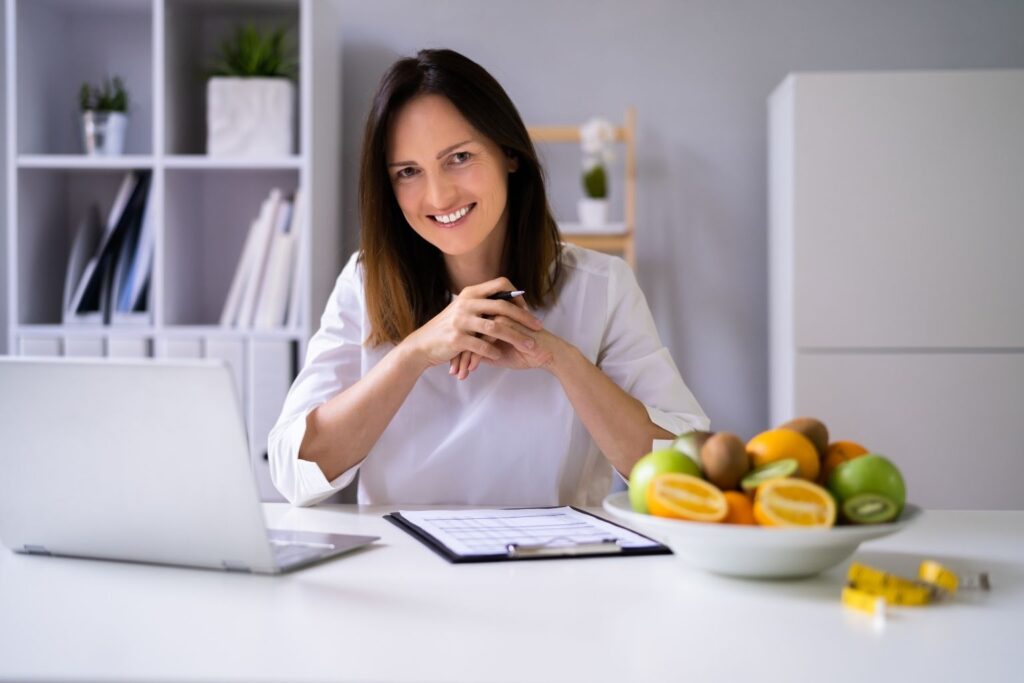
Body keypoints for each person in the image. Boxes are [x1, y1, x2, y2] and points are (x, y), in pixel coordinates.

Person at [268, 48, 708, 507]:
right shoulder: (365, 283)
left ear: (509, 154)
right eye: (409, 171)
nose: (438, 195)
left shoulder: (602, 285)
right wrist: (414, 353)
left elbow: (690, 470)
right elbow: (294, 471)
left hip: (556, 567)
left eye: (458, 157)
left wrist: (560, 360)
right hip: (403, 568)